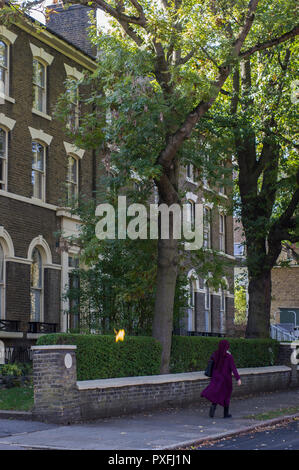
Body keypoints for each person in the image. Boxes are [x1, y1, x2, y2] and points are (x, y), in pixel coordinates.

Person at [201, 339, 241, 418]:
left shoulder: (215, 354)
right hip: (226, 379)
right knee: (226, 395)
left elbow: (211, 363)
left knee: (216, 393)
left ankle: (213, 405)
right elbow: (233, 368)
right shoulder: (229, 357)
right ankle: (225, 414)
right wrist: (238, 378)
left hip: (216, 377)